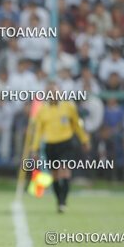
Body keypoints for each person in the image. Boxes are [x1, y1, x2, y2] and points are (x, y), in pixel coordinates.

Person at [31, 83, 91, 213]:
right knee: (55, 175)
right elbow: (38, 131)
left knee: (65, 170)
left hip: (66, 143)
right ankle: (59, 200)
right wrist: (35, 149)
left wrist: (84, 140)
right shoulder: (43, 110)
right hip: (51, 145)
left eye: (55, 92)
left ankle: (63, 201)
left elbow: (76, 125)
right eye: (50, 92)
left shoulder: (68, 106)